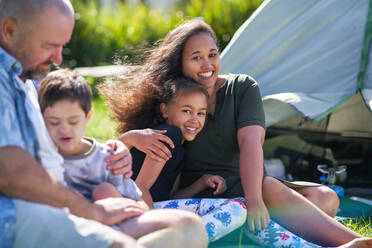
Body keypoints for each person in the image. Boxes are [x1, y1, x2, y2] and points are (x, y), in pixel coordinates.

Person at [115, 17, 372, 247]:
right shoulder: (173, 109)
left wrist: (254, 199)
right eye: (196, 57)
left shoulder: (242, 87)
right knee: (268, 191)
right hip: (214, 194)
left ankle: (275, 222)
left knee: (326, 198)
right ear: (179, 63)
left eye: (212, 54)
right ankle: (353, 243)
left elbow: (251, 142)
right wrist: (132, 138)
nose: (207, 64)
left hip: (247, 183)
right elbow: (135, 172)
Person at [0, 1, 208, 247]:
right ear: (10, 31)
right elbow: (13, 172)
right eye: (49, 46)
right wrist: (92, 212)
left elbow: (57, 137)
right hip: (25, 217)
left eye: (61, 47)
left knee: (189, 228)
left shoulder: (28, 77)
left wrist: (113, 146)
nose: (57, 58)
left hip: (64, 206)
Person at [99, 75, 247, 241]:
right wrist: (155, 229)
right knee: (236, 208)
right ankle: (174, 241)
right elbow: (140, 188)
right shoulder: (168, 135)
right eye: (186, 111)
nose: (194, 119)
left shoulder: (180, 148)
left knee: (241, 206)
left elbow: (172, 198)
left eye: (201, 113)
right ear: (165, 110)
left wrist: (202, 182)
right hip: (139, 211)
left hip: (155, 208)